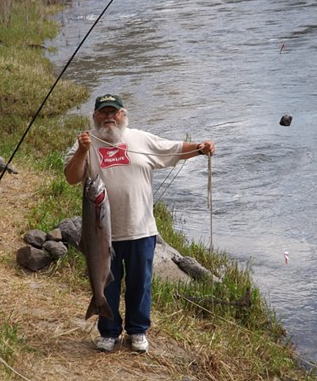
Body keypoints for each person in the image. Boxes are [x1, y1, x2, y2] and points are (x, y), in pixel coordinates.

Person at [64, 93, 215, 353]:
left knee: (140, 284)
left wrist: (201, 148)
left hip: (140, 228)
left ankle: (137, 331)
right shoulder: (86, 142)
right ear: (95, 116)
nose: (109, 117)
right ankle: (109, 332)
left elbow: (174, 149)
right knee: (106, 283)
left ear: (123, 115)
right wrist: (82, 151)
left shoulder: (140, 139)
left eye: (114, 112)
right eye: (103, 112)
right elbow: (72, 176)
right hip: (100, 235)